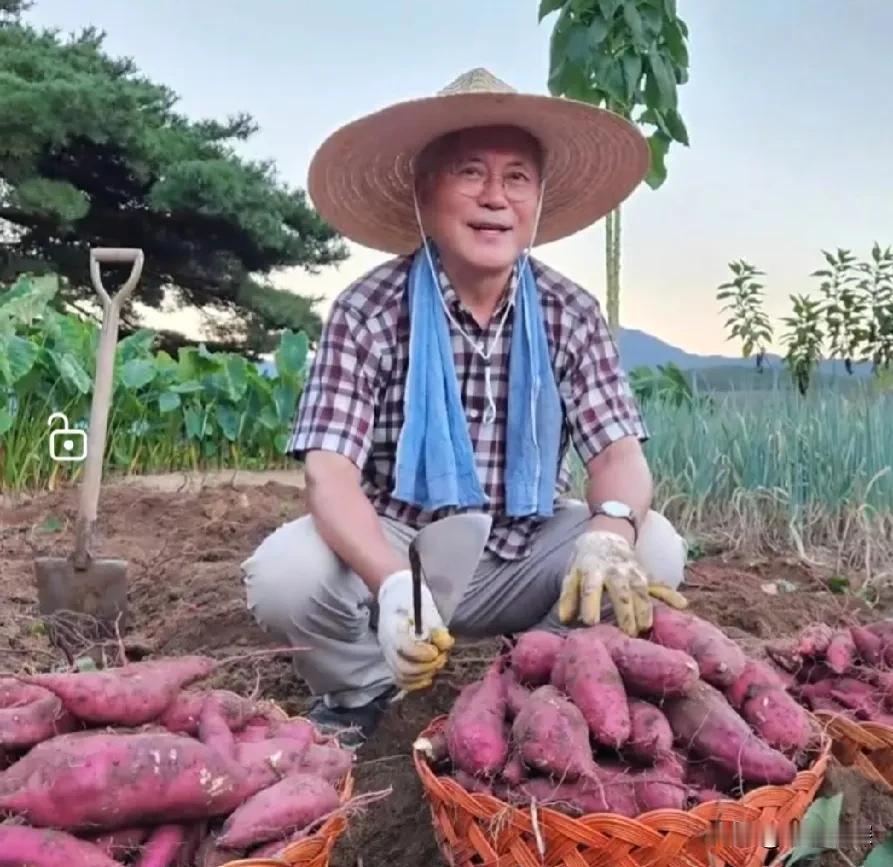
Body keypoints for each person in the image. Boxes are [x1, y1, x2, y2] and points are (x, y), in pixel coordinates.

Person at [241, 68, 689, 747]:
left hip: (524, 547)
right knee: (286, 575)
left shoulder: (568, 312)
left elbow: (617, 455)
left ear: (537, 202)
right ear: (424, 194)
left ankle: (534, 675)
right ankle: (363, 689)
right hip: (400, 543)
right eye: (468, 173)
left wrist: (609, 531)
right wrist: (392, 582)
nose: (493, 198)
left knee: (650, 546)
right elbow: (328, 474)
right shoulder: (369, 309)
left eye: (516, 178)